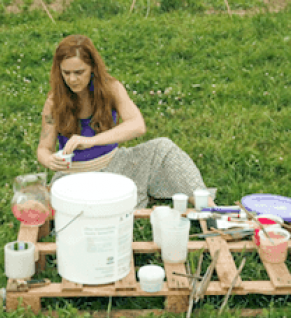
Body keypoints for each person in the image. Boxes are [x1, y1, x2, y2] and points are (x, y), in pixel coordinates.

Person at [37, 34, 205, 208]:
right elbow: (44, 147)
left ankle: (206, 205)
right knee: (84, 207)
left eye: (79, 72)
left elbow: (137, 125)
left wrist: (91, 141)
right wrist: (49, 160)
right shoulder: (53, 101)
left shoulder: (111, 88)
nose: (72, 79)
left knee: (163, 147)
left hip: (115, 163)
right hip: (74, 174)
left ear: (93, 68)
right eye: (66, 73)